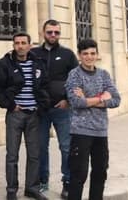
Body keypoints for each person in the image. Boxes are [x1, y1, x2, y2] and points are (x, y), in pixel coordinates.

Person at [0, 32, 50, 200]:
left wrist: (42, 106)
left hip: (34, 115)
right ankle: (11, 190)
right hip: (15, 115)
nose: (20, 46)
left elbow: (45, 86)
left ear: (30, 45)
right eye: (17, 43)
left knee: (34, 154)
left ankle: (32, 188)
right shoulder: (5, 64)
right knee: (12, 155)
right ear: (13, 45)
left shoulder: (38, 63)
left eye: (24, 43)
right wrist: (10, 105)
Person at [65, 38, 121, 200]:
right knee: (78, 174)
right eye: (85, 54)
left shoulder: (103, 75)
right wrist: (101, 98)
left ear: (97, 54)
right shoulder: (74, 75)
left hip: (101, 132)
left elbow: (116, 100)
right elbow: (76, 101)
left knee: (100, 172)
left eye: (92, 53)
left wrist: (88, 100)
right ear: (79, 56)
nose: (89, 57)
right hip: (80, 131)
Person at [30, 19, 78, 198]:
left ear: (60, 34)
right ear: (43, 32)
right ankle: (43, 181)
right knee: (41, 147)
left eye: (56, 32)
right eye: (49, 32)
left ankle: (67, 182)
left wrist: (67, 100)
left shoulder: (67, 54)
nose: (53, 35)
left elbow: (76, 80)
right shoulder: (33, 53)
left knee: (66, 147)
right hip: (40, 110)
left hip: (62, 110)